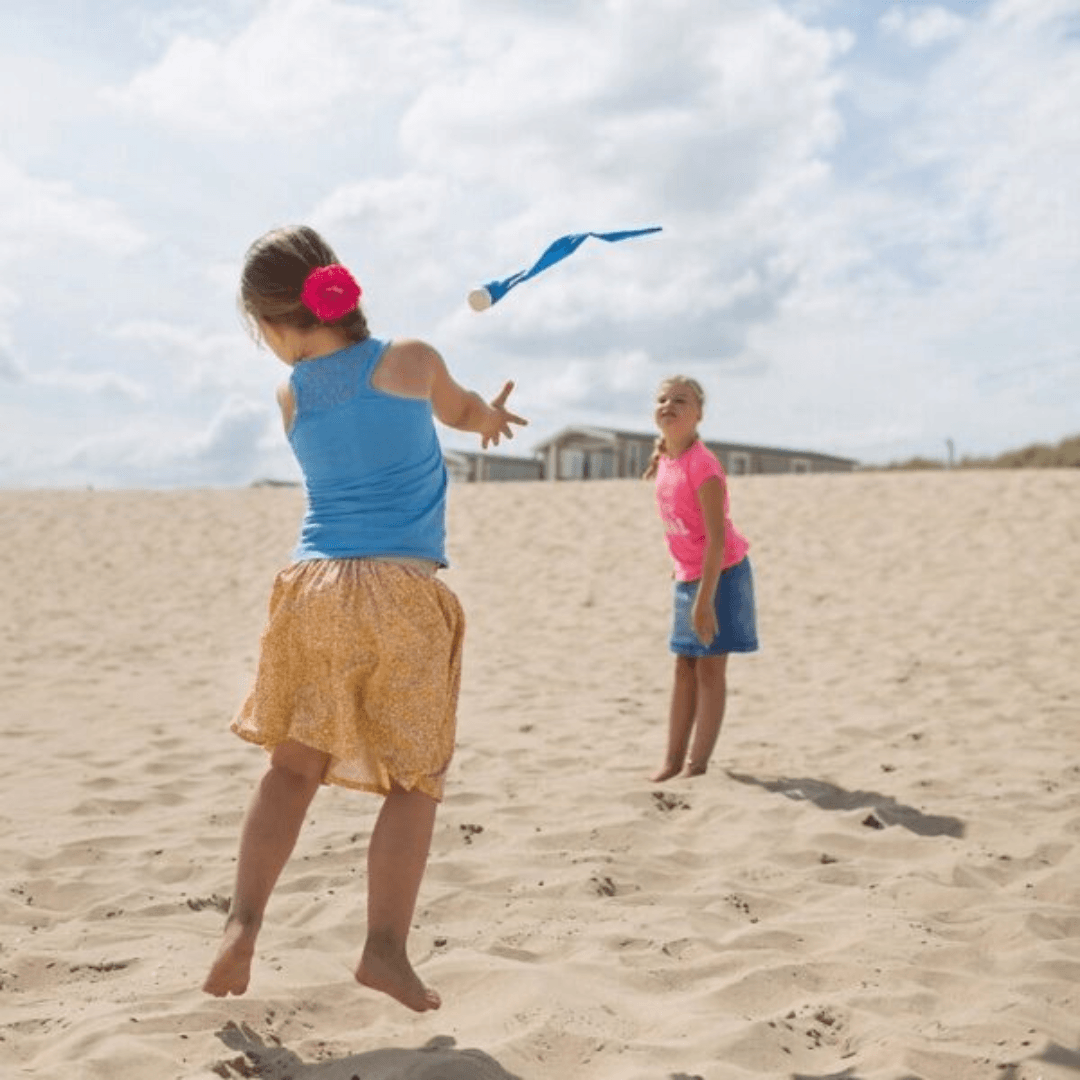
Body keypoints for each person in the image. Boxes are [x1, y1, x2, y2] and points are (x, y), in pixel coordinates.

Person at [202, 225, 526, 1011]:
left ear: (277, 325)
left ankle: (241, 926)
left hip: (312, 590)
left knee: (292, 767)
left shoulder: (291, 397)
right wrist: (486, 419)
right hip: (401, 593)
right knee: (413, 780)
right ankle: (384, 948)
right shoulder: (408, 360)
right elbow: (458, 409)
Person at [643, 376, 758, 782]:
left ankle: (696, 764)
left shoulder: (704, 466)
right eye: (662, 399)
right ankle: (672, 760)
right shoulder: (665, 458)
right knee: (683, 666)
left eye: (681, 400)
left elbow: (717, 539)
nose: (668, 405)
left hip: (721, 576)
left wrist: (705, 600)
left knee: (709, 670)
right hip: (688, 577)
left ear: (698, 414)